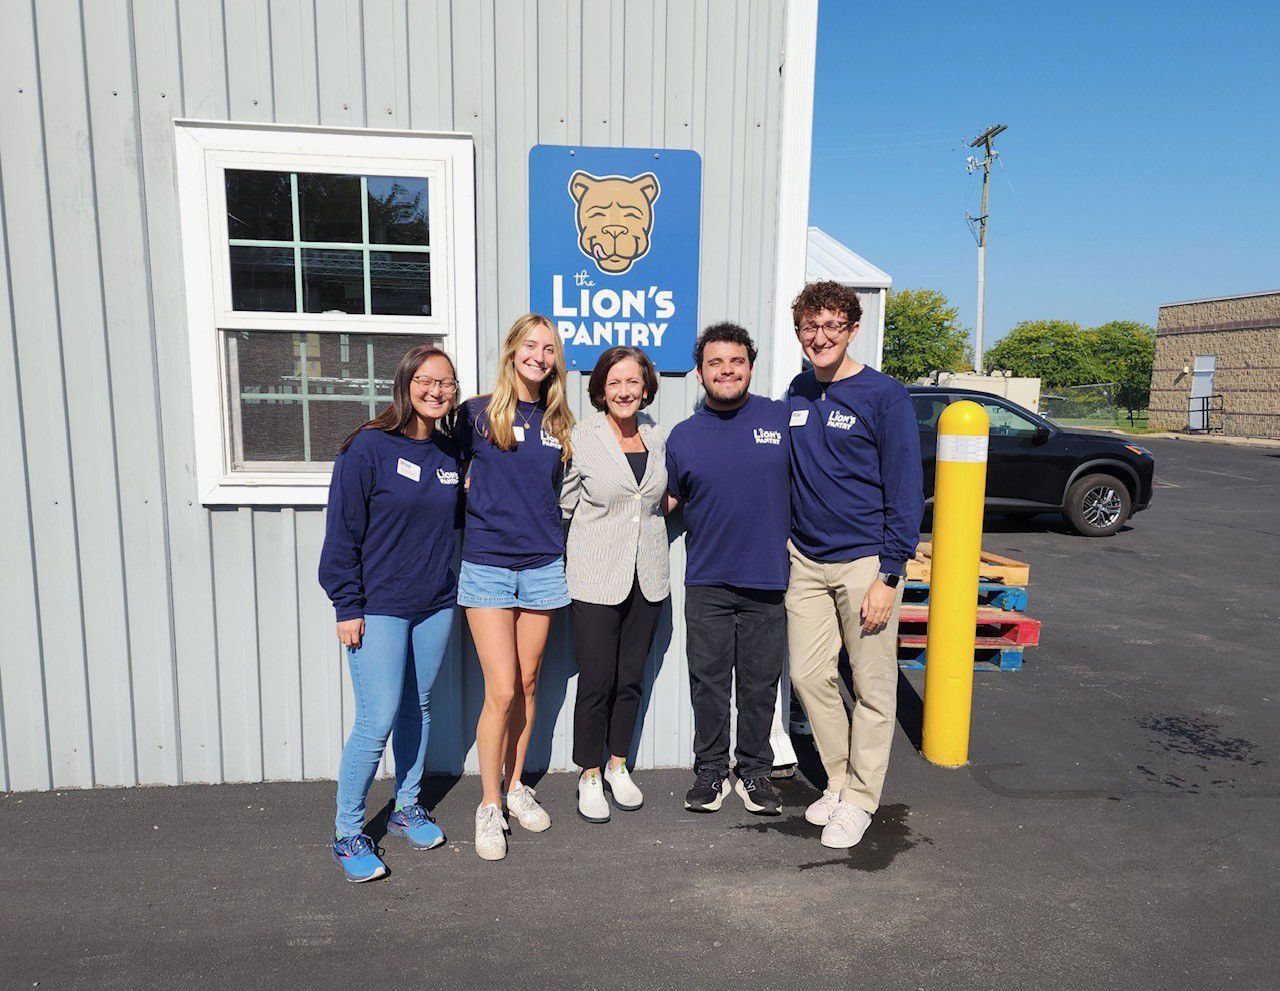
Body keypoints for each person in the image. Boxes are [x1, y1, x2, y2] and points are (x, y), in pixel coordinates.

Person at [784, 280, 924, 849]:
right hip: (805, 561)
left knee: (871, 686)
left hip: (865, 562)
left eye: (832, 326)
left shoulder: (883, 395)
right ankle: (838, 781)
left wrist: (889, 575)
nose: (821, 337)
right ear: (799, 332)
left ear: (852, 329)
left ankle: (862, 798)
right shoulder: (797, 391)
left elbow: (906, 489)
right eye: (810, 327)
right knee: (808, 676)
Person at [318, 344, 465, 882]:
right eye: (426, 380)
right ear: (405, 384)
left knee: (417, 708)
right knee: (376, 720)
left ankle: (407, 807)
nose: (436, 390)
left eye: (446, 383)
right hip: (377, 606)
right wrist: (346, 604)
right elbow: (342, 533)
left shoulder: (452, 452)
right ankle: (348, 832)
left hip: (434, 602)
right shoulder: (368, 447)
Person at [456, 313, 575, 861]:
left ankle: (515, 786)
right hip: (487, 567)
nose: (539, 356)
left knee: (528, 684)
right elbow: (444, 476)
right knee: (500, 690)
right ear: (511, 351)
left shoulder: (560, 421)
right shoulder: (475, 414)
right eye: (531, 346)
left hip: (544, 565)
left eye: (549, 348)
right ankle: (488, 806)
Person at [665, 324, 791, 816]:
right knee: (710, 684)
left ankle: (755, 772)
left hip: (767, 578)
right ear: (700, 373)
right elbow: (663, 500)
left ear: (750, 367)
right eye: (715, 363)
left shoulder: (780, 421)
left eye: (735, 361)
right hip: (708, 582)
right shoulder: (683, 436)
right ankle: (711, 771)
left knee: (761, 685)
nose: (726, 370)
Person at [560, 346, 669, 823]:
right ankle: (588, 773)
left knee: (630, 679)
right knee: (598, 680)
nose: (625, 391)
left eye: (633, 382)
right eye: (615, 383)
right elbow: (563, 505)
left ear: (646, 388)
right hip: (596, 578)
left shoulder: (658, 437)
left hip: (648, 576)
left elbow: (665, 496)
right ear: (601, 389)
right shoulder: (580, 438)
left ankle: (618, 764)